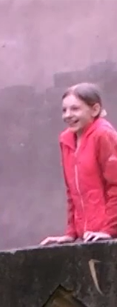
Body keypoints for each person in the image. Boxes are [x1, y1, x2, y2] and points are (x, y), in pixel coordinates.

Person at [40, 83, 117, 246]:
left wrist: (109, 230)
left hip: (108, 236)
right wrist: (71, 233)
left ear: (94, 110)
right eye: (64, 110)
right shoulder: (66, 139)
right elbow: (72, 191)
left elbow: (115, 185)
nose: (67, 115)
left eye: (75, 109)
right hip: (90, 237)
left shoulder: (103, 135)